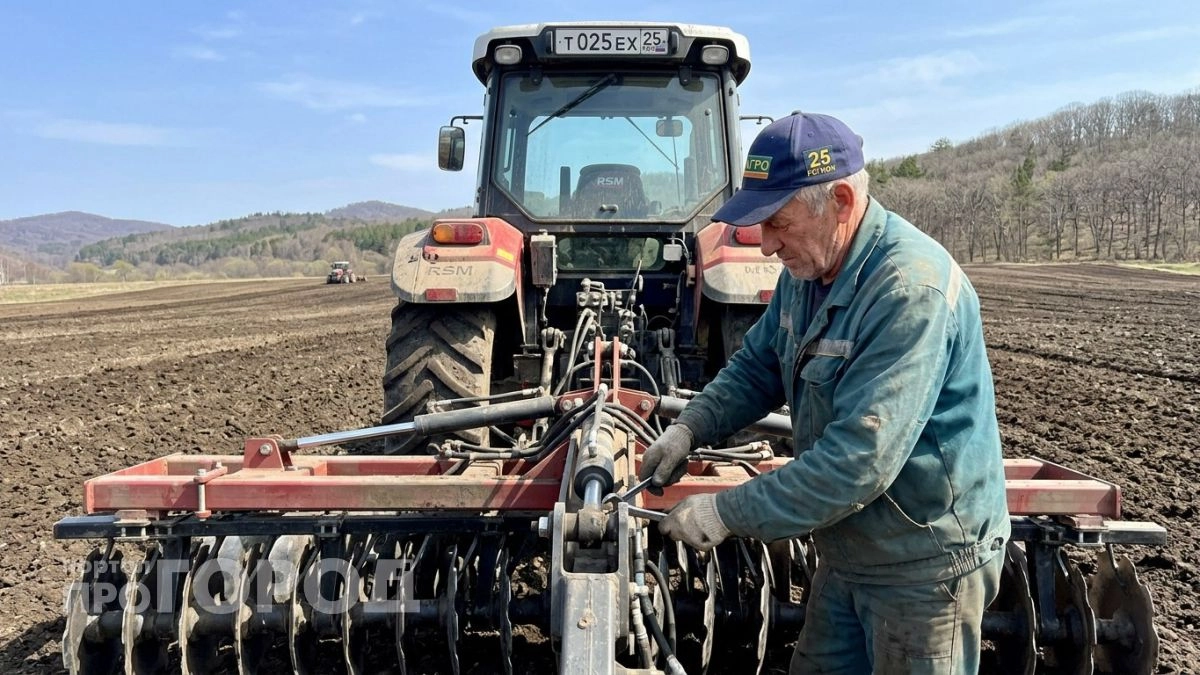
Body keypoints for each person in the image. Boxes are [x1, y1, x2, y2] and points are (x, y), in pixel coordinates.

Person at [638, 111, 1011, 674]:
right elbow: (757, 365)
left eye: (778, 223)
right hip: (849, 547)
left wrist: (725, 512)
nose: (765, 245)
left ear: (839, 201)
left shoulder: (909, 291)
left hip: (922, 565)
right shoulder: (807, 275)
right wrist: (690, 426)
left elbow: (859, 462)